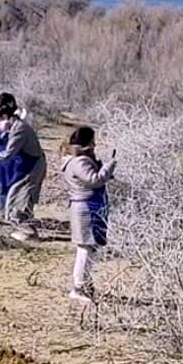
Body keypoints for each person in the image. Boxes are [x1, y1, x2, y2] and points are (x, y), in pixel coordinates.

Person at [61, 126, 116, 303]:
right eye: (92, 141)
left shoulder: (75, 160)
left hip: (85, 207)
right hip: (87, 208)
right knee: (86, 248)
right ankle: (79, 287)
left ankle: (83, 284)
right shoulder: (80, 162)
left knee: (87, 248)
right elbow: (95, 180)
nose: (95, 145)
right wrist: (110, 165)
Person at [0, 100, 46, 241]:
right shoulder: (14, 127)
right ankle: (28, 230)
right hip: (26, 166)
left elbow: (8, 154)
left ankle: (28, 232)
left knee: (20, 199)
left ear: (5, 117)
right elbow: (6, 144)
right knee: (17, 197)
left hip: (33, 167)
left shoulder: (19, 129)